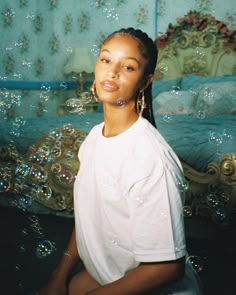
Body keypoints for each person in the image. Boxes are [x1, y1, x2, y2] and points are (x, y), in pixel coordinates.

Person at [38, 28, 202, 295]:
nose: (111, 72)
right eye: (105, 60)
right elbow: (89, 219)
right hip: (108, 276)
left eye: (127, 66)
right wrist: (59, 277)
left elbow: (168, 267)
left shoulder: (150, 157)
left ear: (146, 81)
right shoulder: (93, 138)